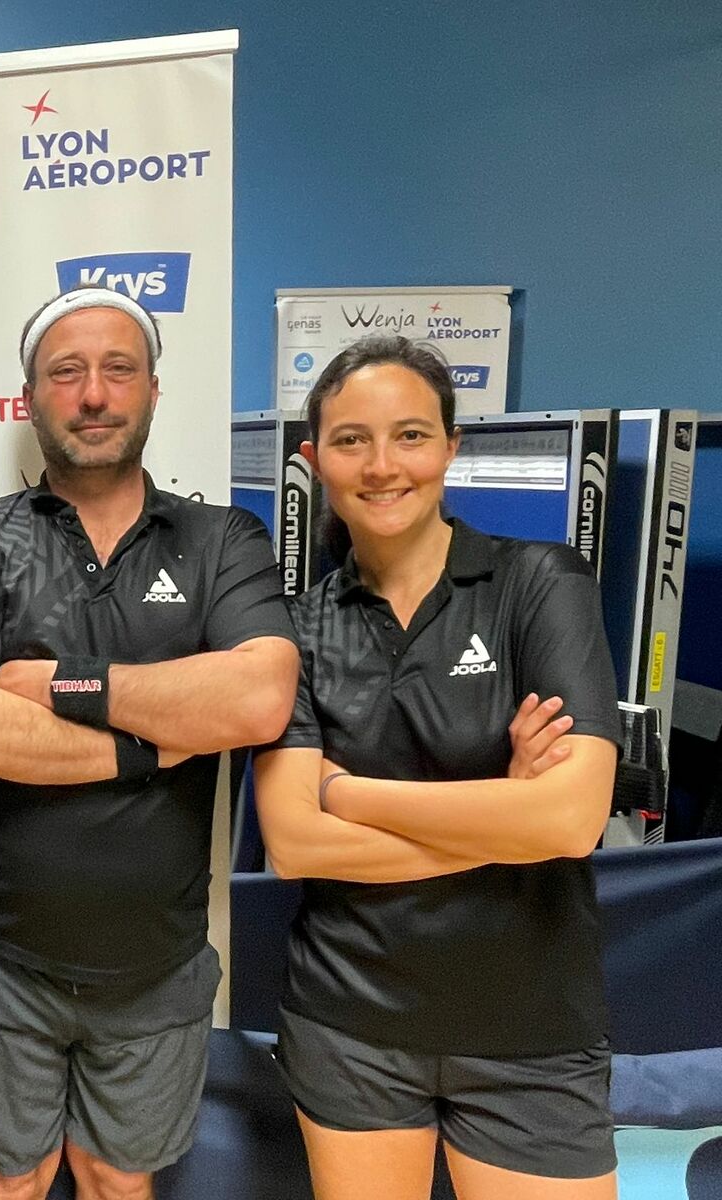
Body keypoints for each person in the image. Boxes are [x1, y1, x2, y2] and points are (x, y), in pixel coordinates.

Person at [0, 283, 300, 1200]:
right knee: (7, 1184)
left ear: (154, 390)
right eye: (67, 372)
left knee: (117, 1185)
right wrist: (153, 741)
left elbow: (257, 697)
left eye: (118, 369)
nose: (93, 394)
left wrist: (65, 683)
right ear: (28, 399)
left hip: (157, 959)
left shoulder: (223, 539)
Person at [254, 335, 622, 1200]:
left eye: (411, 435)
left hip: (531, 1033)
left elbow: (572, 820)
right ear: (314, 459)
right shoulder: (294, 627)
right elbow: (296, 843)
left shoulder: (541, 584)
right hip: (350, 1023)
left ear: (451, 447)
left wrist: (348, 792)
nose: (383, 466)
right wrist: (508, 814)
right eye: (352, 440)